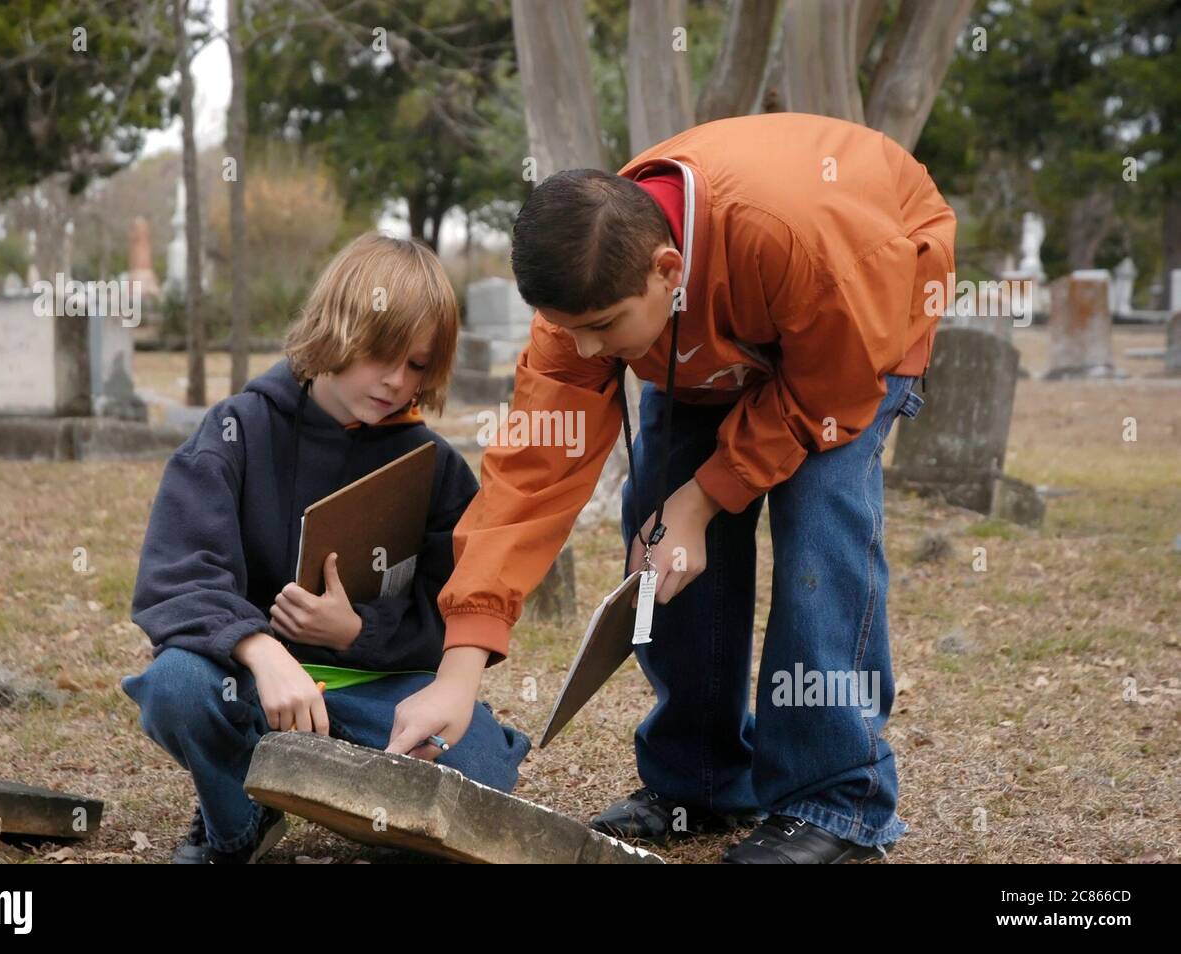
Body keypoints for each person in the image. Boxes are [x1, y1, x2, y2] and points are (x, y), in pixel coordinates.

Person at [386, 113, 955, 864]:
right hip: (720, 328)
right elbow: (529, 479)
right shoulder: (586, 299)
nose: (587, 350)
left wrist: (705, 495)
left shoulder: (804, 242)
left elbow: (829, 392)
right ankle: (703, 779)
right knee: (662, 544)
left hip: (861, 308)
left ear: (665, 269)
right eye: (569, 330)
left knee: (820, 512)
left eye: (603, 327)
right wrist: (459, 669)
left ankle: (837, 804)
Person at [122, 234, 531, 864]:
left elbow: (450, 609)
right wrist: (261, 650)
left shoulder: (435, 467)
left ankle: (370, 814)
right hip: (254, 689)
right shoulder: (236, 431)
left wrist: (355, 632)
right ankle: (239, 825)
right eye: (381, 354)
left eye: (418, 365)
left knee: (475, 761)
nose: (397, 381)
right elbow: (175, 578)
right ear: (335, 328)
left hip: (377, 692)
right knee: (177, 684)